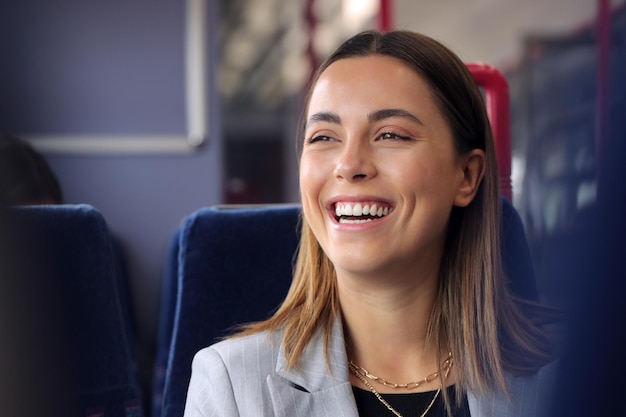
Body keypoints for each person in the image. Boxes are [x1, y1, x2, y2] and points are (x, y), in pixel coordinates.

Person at [184, 30, 556, 417]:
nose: (349, 165)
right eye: (324, 136)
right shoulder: (233, 387)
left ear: (465, 175)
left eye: (391, 134)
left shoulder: (577, 372)